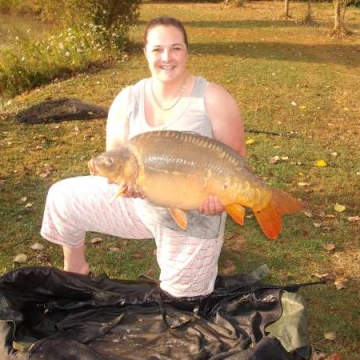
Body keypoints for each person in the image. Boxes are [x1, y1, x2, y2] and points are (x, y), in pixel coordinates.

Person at [41, 16, 246, 298]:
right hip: (139, 204)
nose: (166, 57)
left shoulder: (213, 98)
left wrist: (222, 200)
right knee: (61, 196)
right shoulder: (128, 99)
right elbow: (115, 160)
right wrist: (125, 185)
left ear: (187, 52)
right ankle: (76, 270)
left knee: (183, 302)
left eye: (176, 48)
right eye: (157, 49)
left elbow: (236, 159)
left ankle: (189, 270)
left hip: (195, 211)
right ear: (145, 53)